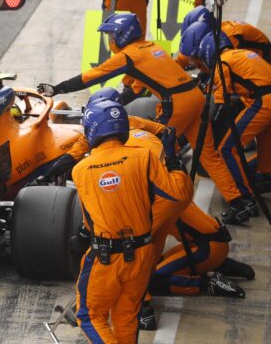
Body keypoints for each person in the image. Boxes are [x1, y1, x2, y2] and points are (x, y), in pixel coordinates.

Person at [37, 12, 256, 223]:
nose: (110, 40)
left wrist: (57, 88)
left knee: (152, 149)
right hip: (195, 98)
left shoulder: (128, 55)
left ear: (123, 35)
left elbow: (93, 76)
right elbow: (137, 88)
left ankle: (155, 203)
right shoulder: (150, 48)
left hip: (177, 103)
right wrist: (114, 104)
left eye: (112, 36)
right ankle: (240, 201)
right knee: (209, 155)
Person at [72, 98, 192, 343]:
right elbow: (179, 193)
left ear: (92, 129)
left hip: (106, 257)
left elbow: (89, 222)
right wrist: (172, 158)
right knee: (127, 315)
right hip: (141, 255)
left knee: (89, 316)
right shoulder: (144, 158)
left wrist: (82, 240)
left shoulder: (81, 170)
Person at [198, 31, 271, 223]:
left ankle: (245, 200)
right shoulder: (240, 53)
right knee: (264, 144)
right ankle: (265, 176)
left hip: (264, 102)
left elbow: (222, 101)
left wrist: (211, 126)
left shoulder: (222, 63)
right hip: (266, 99)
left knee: (227, 148)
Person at [178, 6, 270, 66]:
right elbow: (185, 57)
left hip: (265, 62)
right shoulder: (213, 33)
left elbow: (227, 67)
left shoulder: (228, 37)